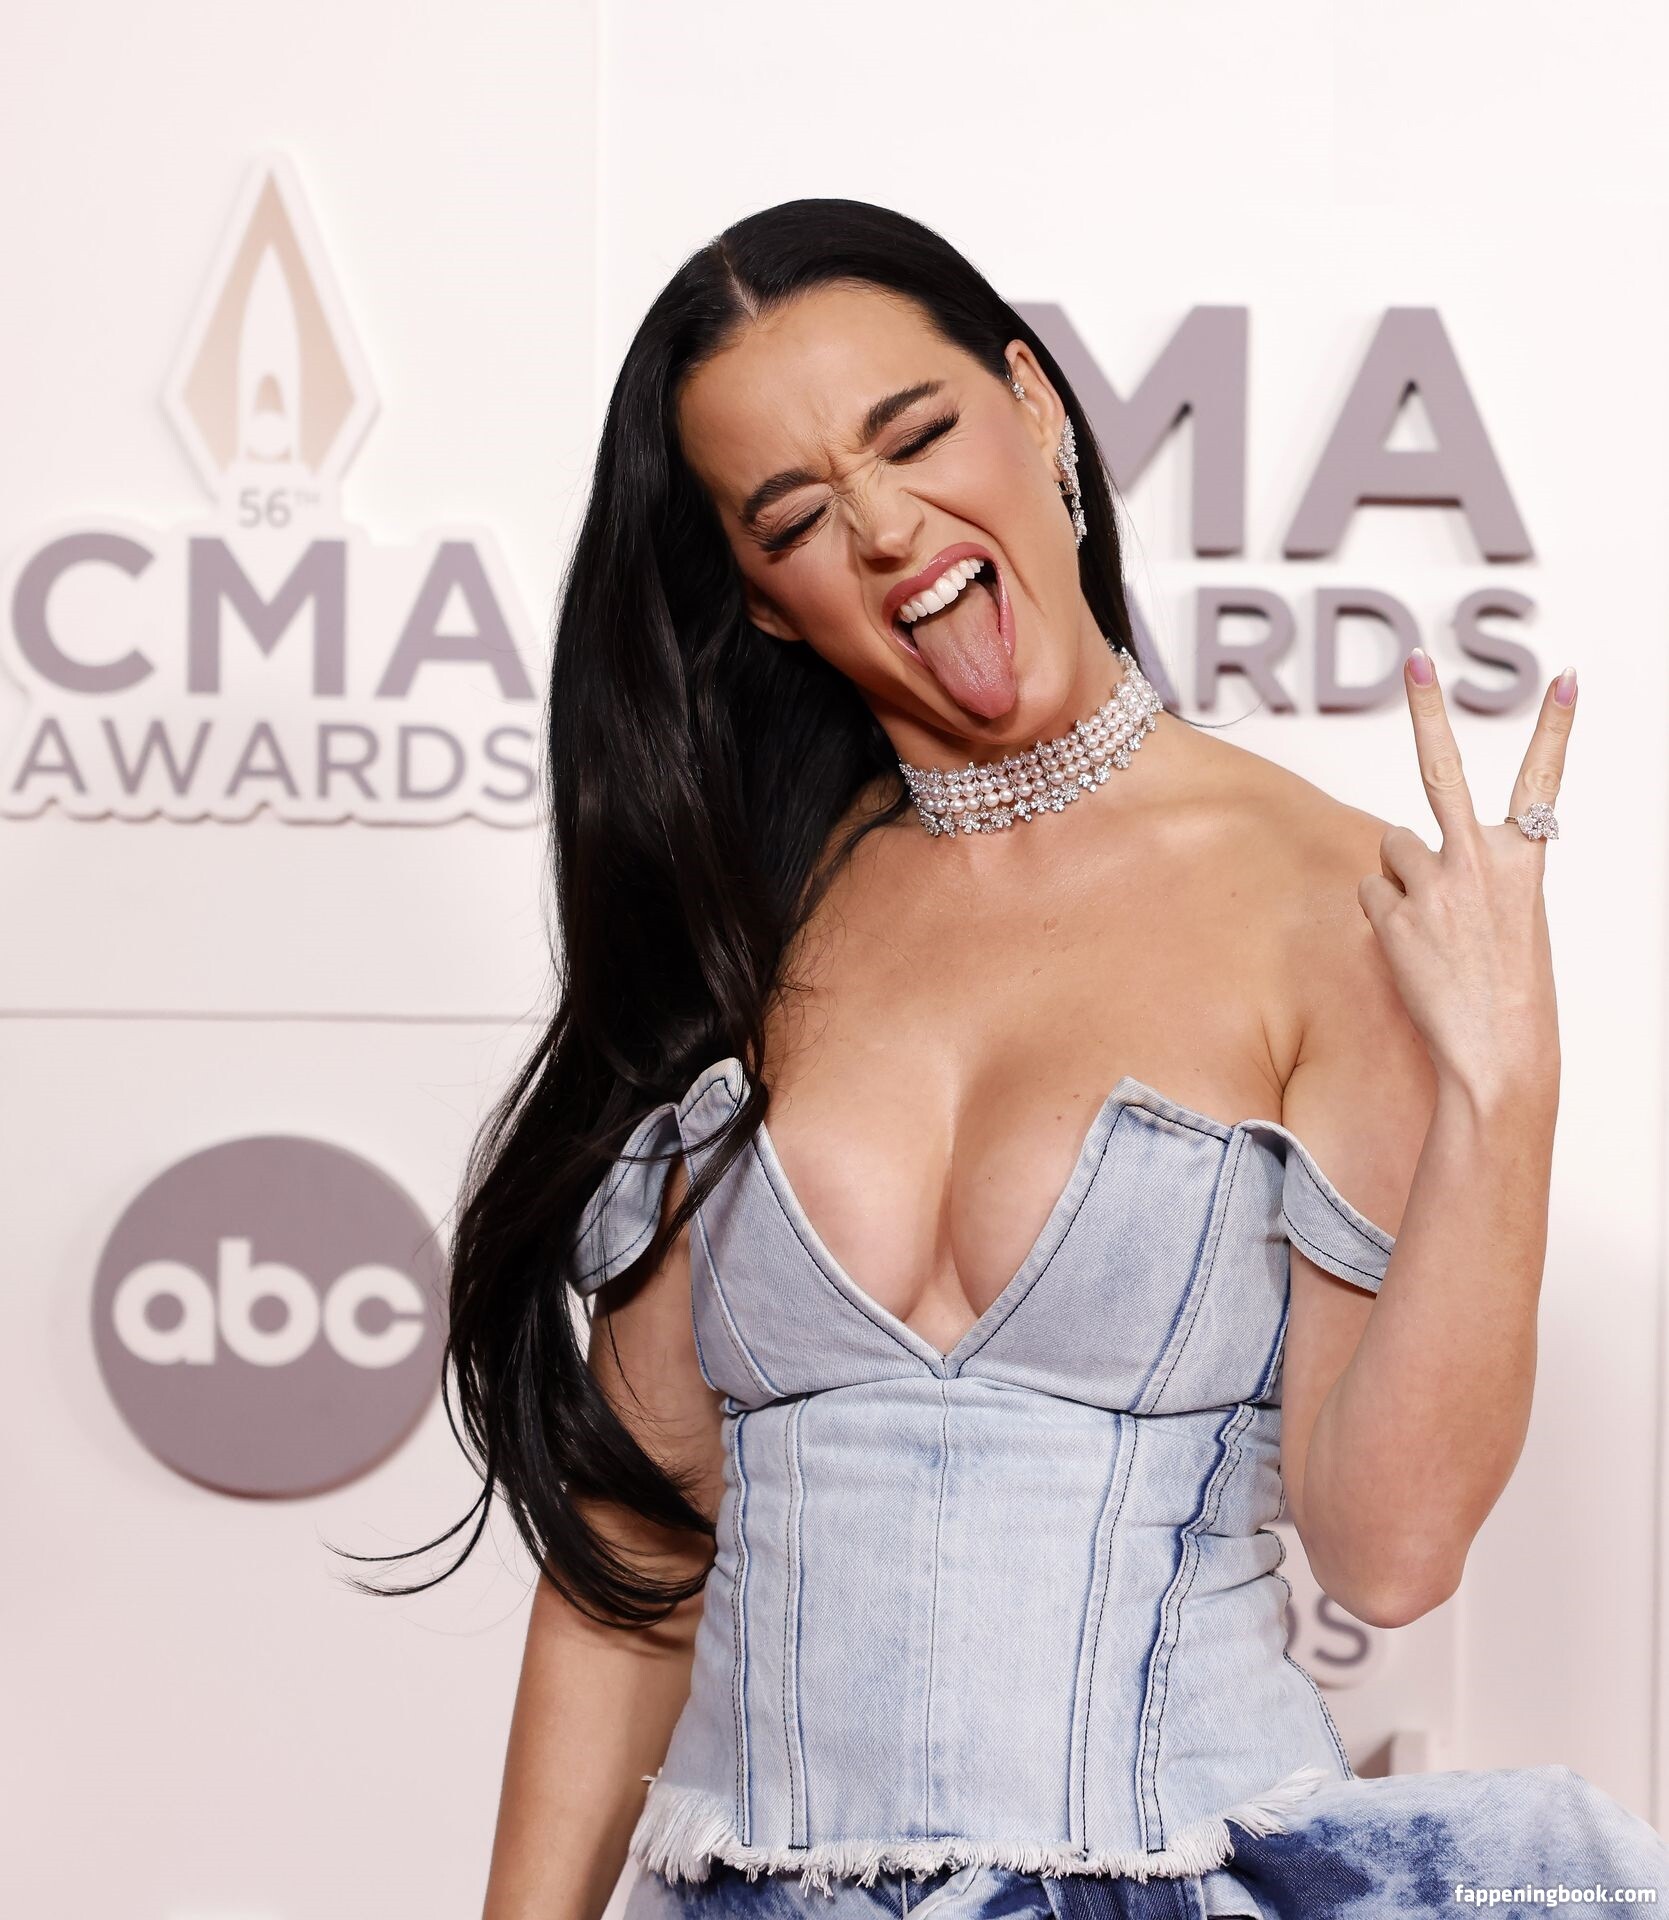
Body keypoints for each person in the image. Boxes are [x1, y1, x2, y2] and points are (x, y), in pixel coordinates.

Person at [352, 198, 1669, 1918]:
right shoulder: (743, 928)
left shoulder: (1332, 907)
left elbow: (1391, 1551)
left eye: (914, 436)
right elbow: (635, 1558)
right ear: (760, 603)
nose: (888, 527)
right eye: (796, 515)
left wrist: (1505, 1086)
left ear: (1035, 405)